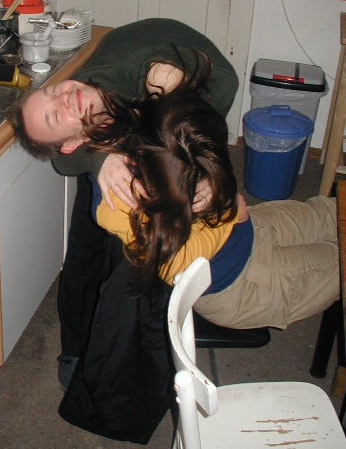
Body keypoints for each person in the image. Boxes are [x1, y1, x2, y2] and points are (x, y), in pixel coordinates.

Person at [10, 18, 239, 387]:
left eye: (52, 91)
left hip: (192, 95)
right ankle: (75, 348)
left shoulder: (145, 81)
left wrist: (209, 174)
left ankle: (158, 323)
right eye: (53, 112)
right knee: (88, 245)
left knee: (162, 219)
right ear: (73, 141)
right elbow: (64, 161)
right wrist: (100, 161)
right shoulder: (87, 123)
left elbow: (221, 92)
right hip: (122, 126)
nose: (64, 94)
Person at [92, 86, 339, 330]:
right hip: (242, 285)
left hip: (251, 230)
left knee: (331, 212)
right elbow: (181, 265)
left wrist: (217, 191)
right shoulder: (120, 206)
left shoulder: (153, 138)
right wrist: (230, 214)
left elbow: (222, 81)